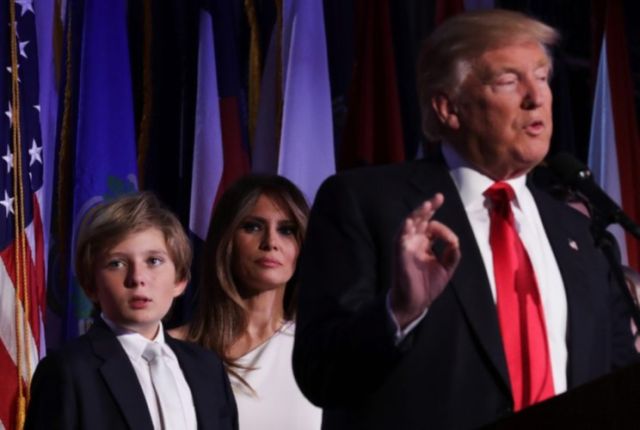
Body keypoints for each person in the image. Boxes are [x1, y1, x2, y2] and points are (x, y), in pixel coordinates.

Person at [292, 9, 638, 430]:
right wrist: (397, 313)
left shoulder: (579, 232)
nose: (537, 97)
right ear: (448, 108)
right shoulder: (366, 204)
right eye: (509, 81)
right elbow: (320, 373)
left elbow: (616, 380)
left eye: (543, 77)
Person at [25, 192, 238, 430]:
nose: (137, 278)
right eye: (117, 263)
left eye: (154, 261)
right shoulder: (68, 371)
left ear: (179, 280)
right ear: (91, 286)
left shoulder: (207, 368)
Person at [170, 175, 321, 430]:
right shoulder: (172, 350)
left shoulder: (319, 350)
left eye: (286, 230)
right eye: (252, 226)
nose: (271, 243)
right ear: (226, 240)